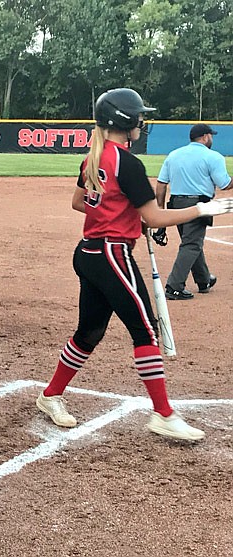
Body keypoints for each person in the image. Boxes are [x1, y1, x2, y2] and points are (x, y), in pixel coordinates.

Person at [36, 88, 233, 441]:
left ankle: (50, 396)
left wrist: (126, 217)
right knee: (145, 330)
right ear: (125, 121)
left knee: (89, 333)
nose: (142, 121)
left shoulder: (94, 157)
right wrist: (201, 209)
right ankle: (163, 414)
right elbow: (155, 217)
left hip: (90, 253)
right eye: (139, 116)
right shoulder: (127, 162)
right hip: (112, 255)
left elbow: (81, 203)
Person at [154, 123, 232, 300]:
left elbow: (161, 185)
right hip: (198, 205)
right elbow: (225, 184)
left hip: (176, 204)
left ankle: (204, 280)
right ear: (205, 137)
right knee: (191, 244)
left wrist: (161, 211)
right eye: (211, 135)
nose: (212, 138)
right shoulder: (213, 156)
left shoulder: (174, 155)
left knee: (191, 241)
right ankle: (174, 286)